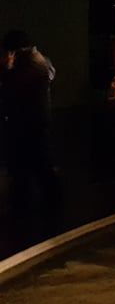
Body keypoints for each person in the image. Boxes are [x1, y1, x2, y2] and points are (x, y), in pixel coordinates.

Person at [0, 30, 60, 216]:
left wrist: (6, 69)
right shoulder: (40, 61)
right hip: (34, 124)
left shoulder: (30, 65)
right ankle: (44, 205)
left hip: (29, 125)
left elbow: (11, 90)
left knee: (30, 168)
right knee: (35, 167)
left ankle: (43, 209)